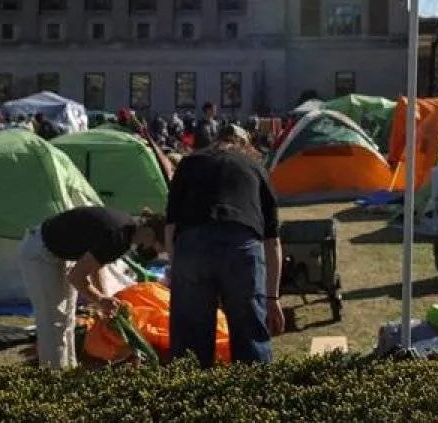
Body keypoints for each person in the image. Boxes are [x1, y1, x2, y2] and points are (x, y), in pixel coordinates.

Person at [165, 126, 283, 366]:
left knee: (190, 343)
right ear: (245, 146)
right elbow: (273, 242)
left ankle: (189, 398)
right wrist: (272, 298)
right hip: (241, 244)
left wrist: (177, 270)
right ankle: (256, 397)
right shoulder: (255, 167)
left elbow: (170, 229)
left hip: (192, 245)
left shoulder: (189, 163)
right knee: (250, 336)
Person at [18, 206, 160, 369]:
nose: (152, 252)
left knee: (67, 319)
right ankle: (53, 378)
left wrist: (104, 297)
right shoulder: (118, 235)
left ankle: (69, 371)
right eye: (156, 248)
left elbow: (96, 264)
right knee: (53, 321)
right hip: (41, 253)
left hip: (62, 255)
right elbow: (76, 277)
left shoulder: (125, 231)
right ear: (150, 233)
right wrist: (99, 299)